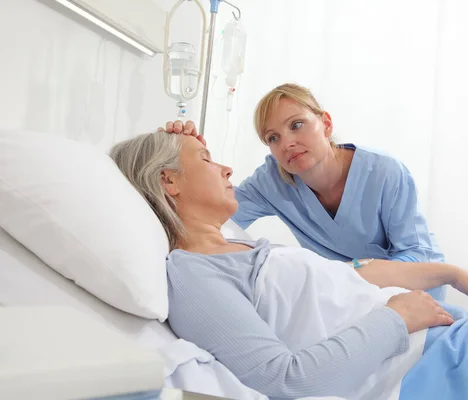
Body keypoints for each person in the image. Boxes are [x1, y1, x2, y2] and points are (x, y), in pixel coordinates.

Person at [109, 130, 468, 400]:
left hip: (454, 335)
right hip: (427, 367)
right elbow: (287, 379)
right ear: (169, 181)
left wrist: (454, 274)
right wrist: (398, 318)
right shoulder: (193, 273)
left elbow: (351, 278)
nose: (226, 168)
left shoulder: (243, 246)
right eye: (206, 158)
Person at [163, 84, 447, 301]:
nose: (287, 143)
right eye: (273, 138)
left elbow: (419, 256)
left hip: (414, 290)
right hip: (347, 298)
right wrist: (177, 160)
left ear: (325, 123)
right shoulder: (272, 180)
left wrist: (352, 276)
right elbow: (209, 213)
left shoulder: (384, 172)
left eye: (297, 125)